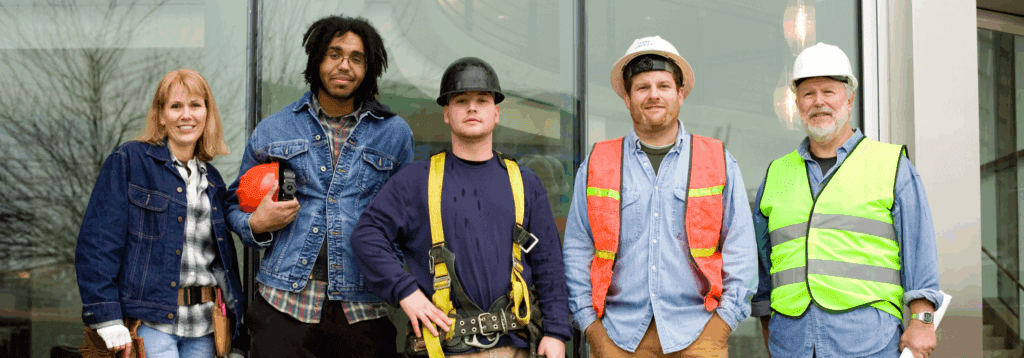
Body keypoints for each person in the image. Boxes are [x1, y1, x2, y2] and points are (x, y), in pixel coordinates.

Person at [350, 57, 571, 358]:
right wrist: (404, 291)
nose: (471, 107)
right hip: (441, 348)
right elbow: (366, 235)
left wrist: (557, 332)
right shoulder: (415, 181)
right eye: (461, 100)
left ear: (496, 114)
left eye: (482, 100)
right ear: (446, 113)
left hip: (514, 348)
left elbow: (549, 265)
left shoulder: (525, 183)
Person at [224, 15, 414, 357]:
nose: (345, 66)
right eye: (334, 54)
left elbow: (408, 219)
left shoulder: (395, 134)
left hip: (363, 310)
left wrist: (390, 273)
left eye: (357, 58)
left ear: (369, 68)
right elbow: (233, 204)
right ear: (317, 60)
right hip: (283, 306)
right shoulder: (274, 129)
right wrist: (255, 225)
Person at [562, 35, 756, 357]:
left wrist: (721, 327)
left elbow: (742, 251)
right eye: (642, 87)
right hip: (618, 338)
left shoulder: (717, 159)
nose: (654, 95)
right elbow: (577, 249)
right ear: (627, 98)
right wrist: (592, 329)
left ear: (680, 94)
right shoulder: (598, 163)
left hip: (699, 334)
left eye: (663, 86)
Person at [751, 42, 942, 358]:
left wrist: (922, 322)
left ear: (849, 98)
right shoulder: (775, 174)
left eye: (829, 91)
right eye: (808, 93)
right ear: (797, 103)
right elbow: (764, 269)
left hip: (867, 342)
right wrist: (770, 334)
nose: (819, 102)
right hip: (792, 343)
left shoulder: (891, 164)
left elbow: (920, 251)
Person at [75, 69, 246, 358]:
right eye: (175, 106)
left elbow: (222, 264)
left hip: (204, 329)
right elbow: (98, 245)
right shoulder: (130, 161)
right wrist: (106, 316)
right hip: (151, 325)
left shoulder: (213, 180)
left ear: (207, 113)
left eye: (195, 105)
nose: (186, 115)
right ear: (161, 115)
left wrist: (237, 335)